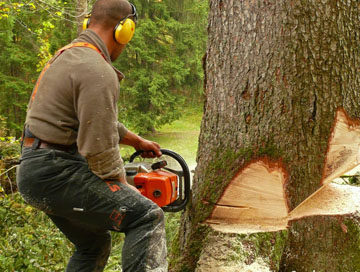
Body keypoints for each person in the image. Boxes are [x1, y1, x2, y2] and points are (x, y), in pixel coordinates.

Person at [17, 0, 168, 271]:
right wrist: (122, 186)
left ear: (89, 22)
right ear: (125, 30)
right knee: (146, 215)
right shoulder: (97, 69)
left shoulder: (69, 56)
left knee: (93, 245)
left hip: (36, 171)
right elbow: (99, 150)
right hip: (56, 173)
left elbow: (94, 119)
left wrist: (135, 140)